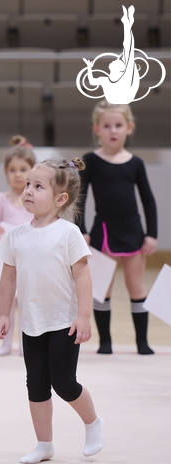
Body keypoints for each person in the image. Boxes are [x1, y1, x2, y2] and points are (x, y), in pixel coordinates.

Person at [0, 157, 104, 464]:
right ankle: (44, 444)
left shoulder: (68, 233)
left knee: (64, 382)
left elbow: (83, 275)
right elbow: (8, 277)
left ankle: (93, 421)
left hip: (63, 322)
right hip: (31, 323)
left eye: (37, 186)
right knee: (37, 384)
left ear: (60, 198)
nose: (28, 190)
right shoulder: (16, 235)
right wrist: (5, 314)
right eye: (28, 184)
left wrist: (83, 315)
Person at [77, 101, 157, 355]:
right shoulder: (91, 160)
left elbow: (148, 200)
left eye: (119, 125)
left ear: (129, 128)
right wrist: (83, 229)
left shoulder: (136, 163)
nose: (113, 130)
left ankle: (142, 343)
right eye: (107, 125)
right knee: (102, 290)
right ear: (97, 129)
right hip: (103, 232)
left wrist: (151, 234)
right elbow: (80, 197)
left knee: (137, 287)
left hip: (133, 232)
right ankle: (105, 343)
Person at [0, 136, 35, 356]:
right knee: (8, 304)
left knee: (26, 305)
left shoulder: (34, 197)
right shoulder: (1, 198)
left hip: (30, 258)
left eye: (23, 169)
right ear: (6, 172)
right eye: (12, 170)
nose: (18, 174)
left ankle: (26, 346)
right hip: (8, 260)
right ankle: (5, 343)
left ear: (32, 172)